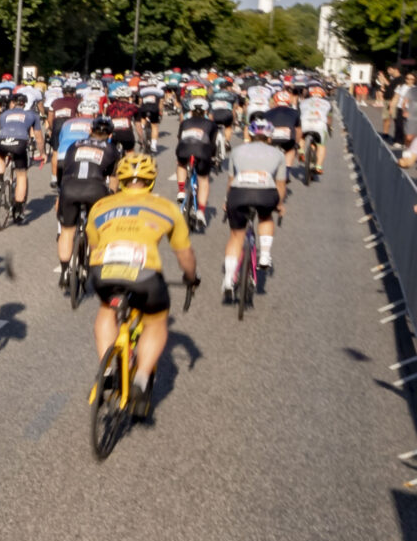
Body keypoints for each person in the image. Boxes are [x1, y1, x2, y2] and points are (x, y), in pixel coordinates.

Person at [86, 153, 198, 416]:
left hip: (104, 270)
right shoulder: (167, 208)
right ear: (152, 181)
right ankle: (141, 378)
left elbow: (94, 246)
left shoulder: (101, 206)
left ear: (120, 181)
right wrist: (191, 278)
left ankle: (110, 369)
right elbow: (185, 255)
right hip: (144, 274)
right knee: (156, 321)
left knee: (106, 311)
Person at [219, 121, 288, 299]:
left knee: (236, 236)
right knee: (265, 217)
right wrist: (279, 204)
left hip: (239, 192)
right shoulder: (278, 154)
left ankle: (228, 279)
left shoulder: (236, 151)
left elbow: (231, 180)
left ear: (249, 135)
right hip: (265, 193)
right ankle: (264, 255)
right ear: (269, 136)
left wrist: (227, 200)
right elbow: (280, 184)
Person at [52, 119, 121, 287]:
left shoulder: (74, 144)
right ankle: (97, 265)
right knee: (98, 229)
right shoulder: (112, 149)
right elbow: (113, 178)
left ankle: (65, 271)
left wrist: (62, 189)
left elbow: (63, 167)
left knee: (67, 231)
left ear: (90, 130)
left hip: (70, 187)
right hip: (95, 189)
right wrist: (112, 195)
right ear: (110, 135)